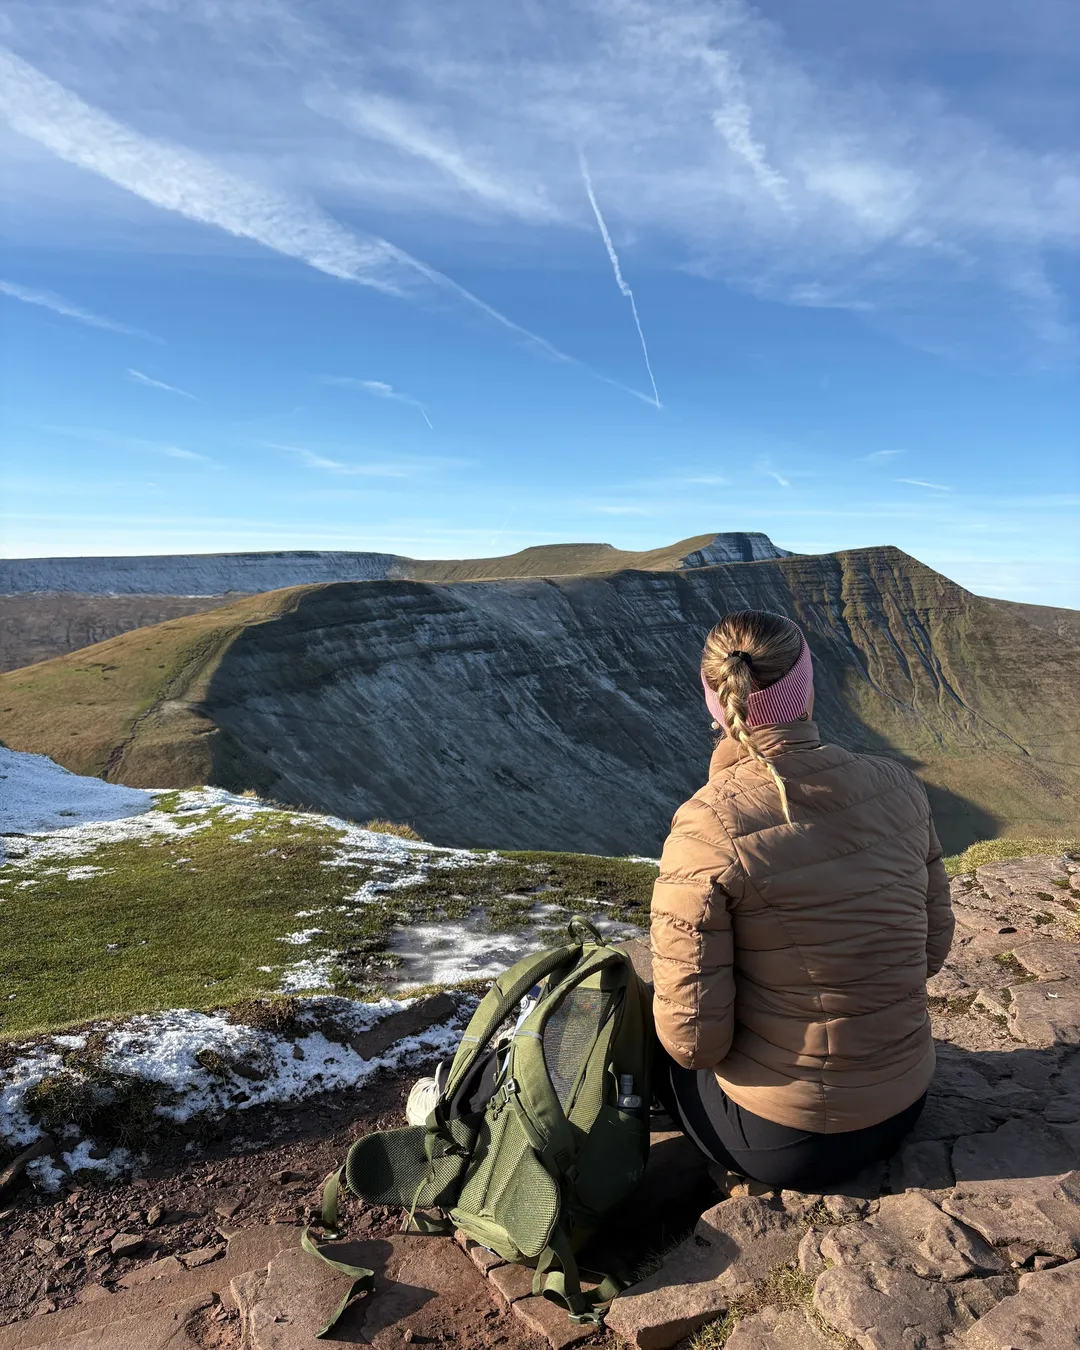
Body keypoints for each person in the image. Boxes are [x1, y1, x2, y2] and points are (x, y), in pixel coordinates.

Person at [650, 609, 954, 1191]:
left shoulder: (707, 827)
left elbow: (693, 1044)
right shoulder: (899, 785)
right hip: (908, 1098)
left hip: (788, 1143)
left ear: (716, 701)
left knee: (636, 1023)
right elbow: (930, 951)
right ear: (807, 686)